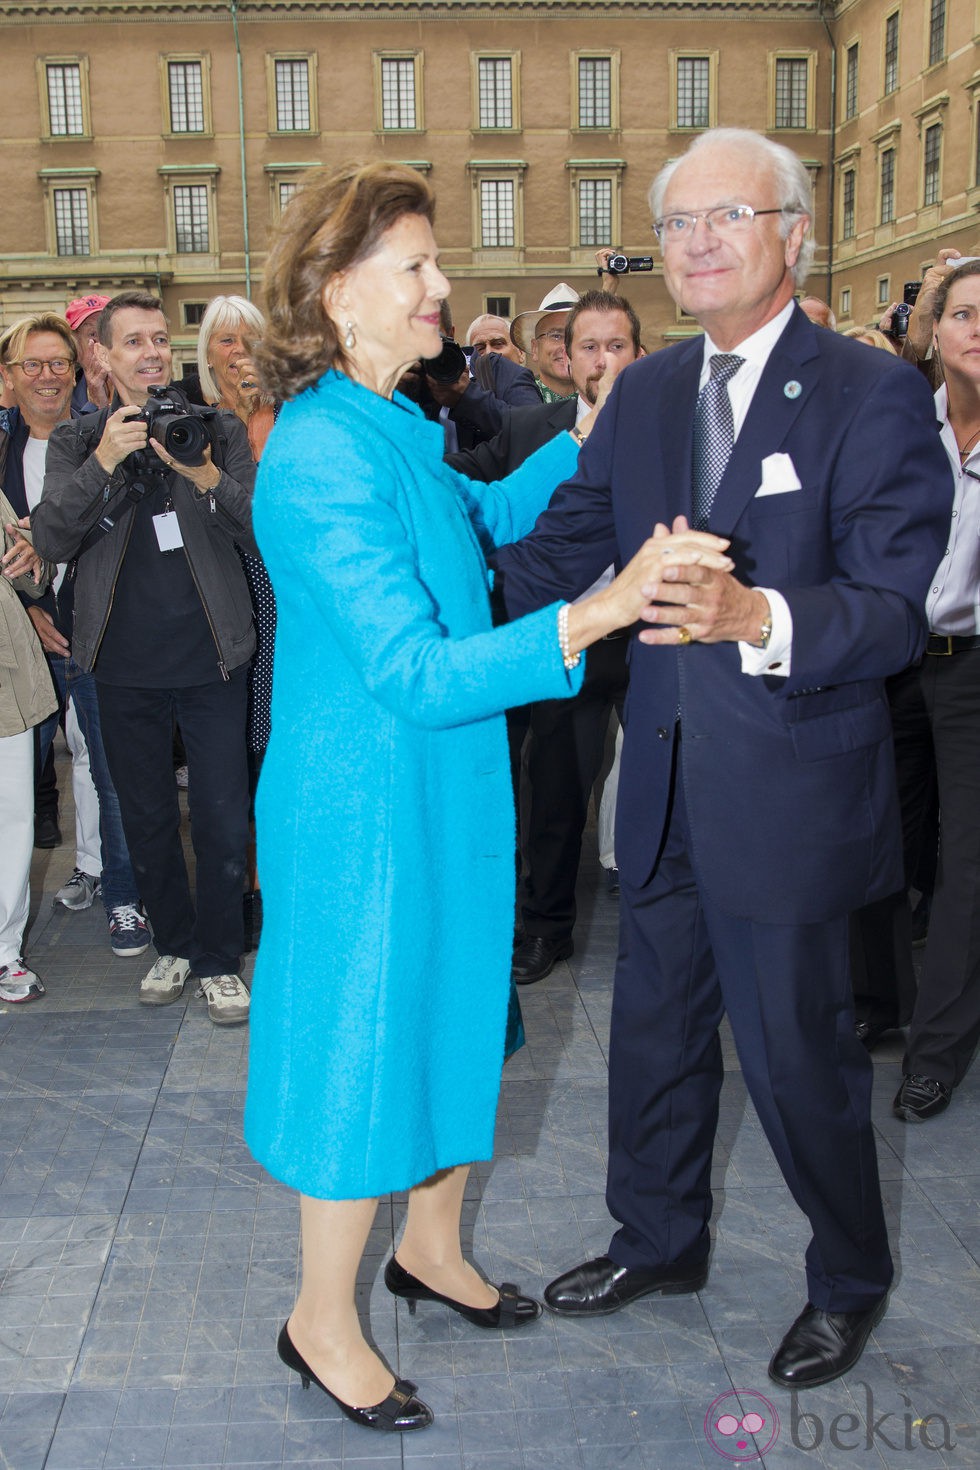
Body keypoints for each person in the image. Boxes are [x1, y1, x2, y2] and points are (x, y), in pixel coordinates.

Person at [243, 159, 731, 1434]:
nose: (442, 286)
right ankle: (319, 1317)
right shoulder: (314, 457)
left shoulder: (389, 422)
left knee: (458, 1014)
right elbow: (406, 667)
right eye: (414, 265)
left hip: (443, 783)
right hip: (364, 809)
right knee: (363, 1049)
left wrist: (581, 434)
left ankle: (431, 1251)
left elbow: (481, 514)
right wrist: (599, 610)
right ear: (338, 293)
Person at [492, 127, 951, 1390]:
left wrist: (757, 618)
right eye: (676, 223)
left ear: (791, 236)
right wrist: (425, 592)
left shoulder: (869, 392)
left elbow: (892, 606)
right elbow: (564, 549)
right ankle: (658, 1239)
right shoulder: (641, 395)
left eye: (724, 217)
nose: (694, 243)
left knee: (799, 1057)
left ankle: (847, 1279)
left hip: (793, 794)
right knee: (651, 1029)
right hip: (663, 785)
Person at [31, 291, 257, 1025]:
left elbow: (264, 533)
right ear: (101, 355)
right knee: (147, 816)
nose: (152, 352)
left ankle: (221, 959)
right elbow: (52, 537)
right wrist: (104, 460)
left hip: (213, 660)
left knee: (223, 818)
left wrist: (204, 475)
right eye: (134, 341)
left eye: (160, 339)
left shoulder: (216, 428)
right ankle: (175, 945)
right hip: (120, 666)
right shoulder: (77, 441)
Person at [451, 290, 642, 983]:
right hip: (557, 639)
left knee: (657, 784)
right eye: (587, 346)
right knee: (552, 784)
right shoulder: (535, 429)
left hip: (646, 638)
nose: (600, 360)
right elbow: (477, 496)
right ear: (567, 357)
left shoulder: (669, 431)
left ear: (637, 353)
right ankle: (544, 926)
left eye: (614, 345)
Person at [0, 313, 148, 958]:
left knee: (105, 767)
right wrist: (26, 611)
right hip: (20, 636)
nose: (47, 376)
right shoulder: (1, 449)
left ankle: (112, 884)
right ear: (9, 378)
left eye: (58, 361)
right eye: (30, 364)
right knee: (18, 783)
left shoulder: (103, 435)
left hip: (91, 626)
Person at [892, 258, 980, 1121]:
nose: (979, 328)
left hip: (974, 668)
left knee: (966, 863)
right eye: (963, 313)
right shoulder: (903, 429)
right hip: (892, 657)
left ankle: (938, 1049)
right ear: (934, 330)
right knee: (878, 836)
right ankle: (879, 1005)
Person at [0, 490, 57, 1002]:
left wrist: (35, 552)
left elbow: (29, 577)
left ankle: (4, 954)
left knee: (13, 819)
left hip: (7, 681)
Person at [510, 284, 579, 401]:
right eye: (556, 336)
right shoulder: (515, 403)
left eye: (575, 335)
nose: (566, 345)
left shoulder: (609, 403)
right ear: (535, 348)